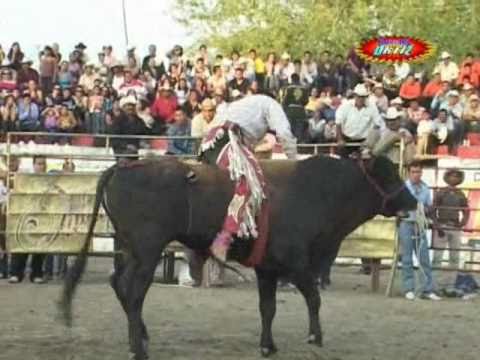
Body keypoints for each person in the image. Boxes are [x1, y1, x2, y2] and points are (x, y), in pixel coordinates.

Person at [200, 94, 297, 261]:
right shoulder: (272, 105)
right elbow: (284, 133)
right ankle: (224, 239)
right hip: (229, 142)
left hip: (212, 142)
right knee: (249, 184)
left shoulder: (244, 103)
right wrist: (294, 163)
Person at [399, 162, 442, 301]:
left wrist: (427, 211)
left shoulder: (425, 188)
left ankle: (427, 289)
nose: (416, 174)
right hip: (406, 223)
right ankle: (409, 288)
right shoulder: (403, 188)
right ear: (408, 173)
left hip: (420, 223)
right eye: (413, 172)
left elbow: (429, 206)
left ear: (421, 173)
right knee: (407, 257)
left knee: (424, 256)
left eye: (418, 172)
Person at [9, 156, 48, 284]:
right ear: (33, 165)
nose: (41, 166)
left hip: (42, 217)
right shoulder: (25, 179)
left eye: (43, 164)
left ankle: (36, 274)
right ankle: (16, 273)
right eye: (38, 164)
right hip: (25, 216)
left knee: (39, 247)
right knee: (21, 245)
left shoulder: (49, 181)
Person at [432, 169, 469, 269]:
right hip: (442, 225)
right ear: (447, 178)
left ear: (459, 179)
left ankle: (452, 280)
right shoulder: (441, 192)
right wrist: (437, 226)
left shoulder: (460, 194)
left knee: (455, 256)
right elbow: (433, 210)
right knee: (437, 255)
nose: (454, 178)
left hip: (455, 226)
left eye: (456, 176)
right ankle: (435, 280)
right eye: (452, 176)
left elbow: (466, 210)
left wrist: (462, 223)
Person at [335, 83, 383, 157]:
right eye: (359, 96)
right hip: (347, 140)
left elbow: (377, 124)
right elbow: (338, 123)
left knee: (366, 162)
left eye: (363, 97)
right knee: (342, 162)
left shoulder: (372, 107)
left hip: (364, 142)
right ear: (354, 96)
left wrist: (370, 140)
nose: (361, 99)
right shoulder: (345, 106)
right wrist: (340, 139)